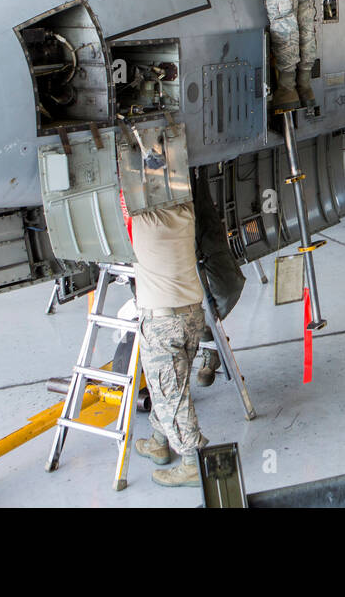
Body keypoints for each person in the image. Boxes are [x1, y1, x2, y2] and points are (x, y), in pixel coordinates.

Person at [131, 199, 210, 488]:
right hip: (192, 316)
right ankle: (158, 440)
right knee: (170, 387)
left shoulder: (140, 220)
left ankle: (192, 461)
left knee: (168, 395)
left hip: (162, 324)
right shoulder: (186, 211)